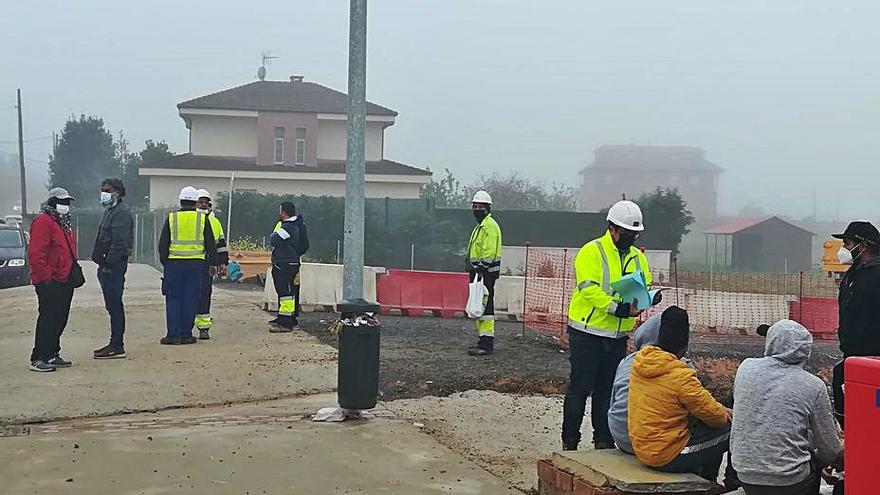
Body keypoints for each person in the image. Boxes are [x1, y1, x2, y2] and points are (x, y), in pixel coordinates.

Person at [561, 200, 652, 451]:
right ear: (612, 228)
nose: (631, 238)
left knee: (607, 392)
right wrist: (618, 308)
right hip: (586, 333)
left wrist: (648, 297)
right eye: (627, 233)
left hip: (617, 335)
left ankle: (603, 440)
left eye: (635, 234)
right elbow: (589, 290)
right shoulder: (591, 251)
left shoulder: (637, 257)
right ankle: (570, 441)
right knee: (580, 388)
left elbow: (644, 284)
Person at [731, 320, 843, 495]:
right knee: (812, 443)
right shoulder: (813, 385)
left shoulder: (745, 368)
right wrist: (827, 463)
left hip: (746, 476)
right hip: (791, 483)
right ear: (806, 351)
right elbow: (829, 448)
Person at [628, 306, 734, 484]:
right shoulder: (680, 375)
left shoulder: (641, 362)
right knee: (734, 431)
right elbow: (716, 418)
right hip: (666, 456)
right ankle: (728, 484)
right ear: (684, 347)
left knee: (703, 422)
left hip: (641, 448)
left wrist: (719, 409)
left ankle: (708, 480)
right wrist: (727, 413)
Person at [831, 221, 880, 430]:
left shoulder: (876, 276)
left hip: (874, 355)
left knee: (872, 404)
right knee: (843, 389)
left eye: (848, 243)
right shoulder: (853, 275)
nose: (844, 248)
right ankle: (854, 436)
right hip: (852, 353)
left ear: (863, 246)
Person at [157, 186, 216, 345]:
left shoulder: (171, 218)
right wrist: (212, 263)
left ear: (181, 201)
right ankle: (187, 335)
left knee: (173, 299)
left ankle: (173, 335)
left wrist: (166, 262)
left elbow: (163, 245)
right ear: (195, 202)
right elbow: (211, 245)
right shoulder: (203, 219)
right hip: (196, 266)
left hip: (174, 265)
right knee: (191, 299)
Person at [28, 188, 78, 372]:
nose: (65, 205)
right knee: (48, 318)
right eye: (61, 202)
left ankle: (51, 353)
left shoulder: (62, 223)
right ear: (51, 202)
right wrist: (46, 278)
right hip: (50, 280)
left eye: (67, 202)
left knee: (59, 318)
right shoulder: (44, 222)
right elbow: (36, 253)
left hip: (64, 279)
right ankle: (39, 356)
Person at [91, 178, 134, 359]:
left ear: (117, 192)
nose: (104, 193)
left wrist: (108, 263)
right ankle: (115, 343)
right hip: (106, 265)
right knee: (111, 305)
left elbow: (120, 243)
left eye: (107, 190)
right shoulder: (110, 210)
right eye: (102, 190)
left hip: (113, 266)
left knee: (115, 304)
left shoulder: (121, 213)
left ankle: (117, 345)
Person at [607, 314, 661, 454]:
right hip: (653, 449)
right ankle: (707, 476)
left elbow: (613, 400)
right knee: (720, 430)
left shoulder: (627, 362)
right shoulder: (680, 365)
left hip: (621, 438)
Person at [466, 190, 502, 356]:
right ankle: (483, 340)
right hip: (479, 272)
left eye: (479, 206)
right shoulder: (481, 227)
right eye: (474, 206)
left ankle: (486, 343)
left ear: (487, 208)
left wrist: (481, 267)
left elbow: (489, 251)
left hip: (484, 273)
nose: (476, 209)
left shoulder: (488, 226)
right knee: (480, 306)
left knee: (486, 308)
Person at [194, 189, 229, 340]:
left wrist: (222, 263)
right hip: (192, 262)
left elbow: (221, 244)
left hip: (208, 264)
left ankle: (203, 327)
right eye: (200, 202)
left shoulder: (215, 222)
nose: (202, 205)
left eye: (205, 203)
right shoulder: (190, 219)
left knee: (205, 294)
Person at [269, 201, 307, 332]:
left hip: (284, 263)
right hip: (292, 262)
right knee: (290, 291)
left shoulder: (288, 226)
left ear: (284, 212)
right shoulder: (298, 225)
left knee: (285, 292)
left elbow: (273, 239)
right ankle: (285, 318)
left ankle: (285, 323)